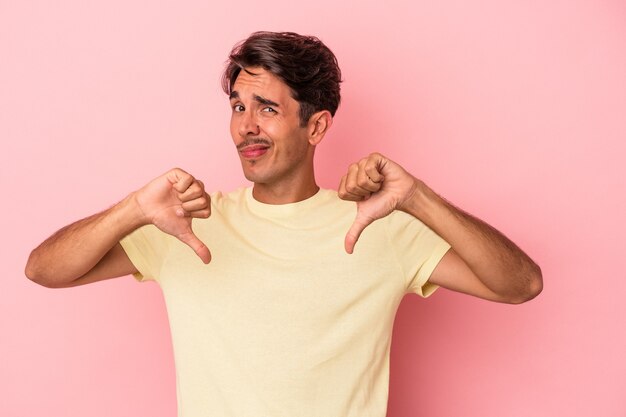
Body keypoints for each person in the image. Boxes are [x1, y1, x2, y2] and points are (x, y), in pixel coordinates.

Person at [25, 31, 542, 417]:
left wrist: (418, 198)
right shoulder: (185, 224)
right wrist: (133, 209)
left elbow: (521, 285)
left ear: (315, 125)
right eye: (237, 106)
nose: (246, 125)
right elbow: (45, 270)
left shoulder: (377, 224)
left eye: (267, 107)